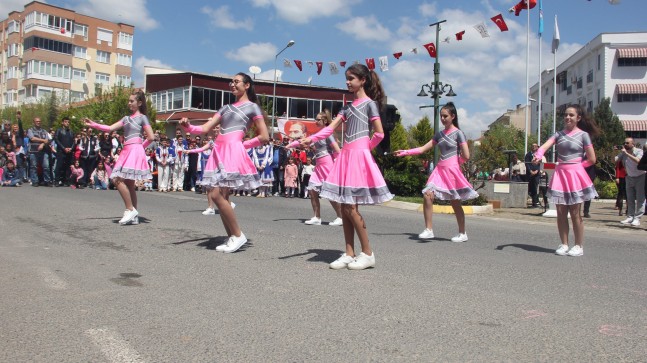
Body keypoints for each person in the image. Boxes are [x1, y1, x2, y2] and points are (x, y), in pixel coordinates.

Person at [295, 64, 393, 270]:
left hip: (358, 156)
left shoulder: (370, 104)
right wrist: (308, 140)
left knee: (349, 207)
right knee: (345, 204)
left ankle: (368, 253)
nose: (347, 82)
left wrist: (365, 149)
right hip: (345, 157)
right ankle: (349, 252)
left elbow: (380, 133)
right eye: (346, 78)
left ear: (363, 80)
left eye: (351, 78)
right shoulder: (347, 107)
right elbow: (329, 129)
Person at [179, 72, 269, 253]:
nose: (232, 85)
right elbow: (204, 128)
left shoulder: (252, 108)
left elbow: (264, 136)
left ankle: (237, 235)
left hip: (233, 150)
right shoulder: (225, 108)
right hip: (218, 151)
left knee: (216, 195)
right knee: (220, 195)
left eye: (236, 82)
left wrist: (243, 144)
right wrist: (187, 126)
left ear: (247, 85)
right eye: (231, 82)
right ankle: (232, 237)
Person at [396, 102, 478, 242]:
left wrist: (455, 163)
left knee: (455, 203)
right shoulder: (439, 135)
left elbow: (466, 155)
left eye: (445, 116)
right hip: (439, 171)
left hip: (452, 172)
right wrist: (405, 152)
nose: (442, 118)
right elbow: (422, 149)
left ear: (453, 116)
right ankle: (429, 229)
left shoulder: (459, 134)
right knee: (428, 195)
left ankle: (462, 233)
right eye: (441, 116)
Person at [533, 104, 600, 257]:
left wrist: (577, 167)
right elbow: (543, 147)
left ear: (578, 118)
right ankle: (564, 244)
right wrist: (538, 155)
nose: (568, 117)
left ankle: (578, 245)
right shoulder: (558, 134)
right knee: (561, 212)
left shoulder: (583, 135)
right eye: (566, 115)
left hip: (575, 175)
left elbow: (592, 159)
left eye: (571, 115)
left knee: (575, 213)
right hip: (560, 174)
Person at [84, 89, 155, 225]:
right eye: (129, 101)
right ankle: (133, 214)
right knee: (129, 183)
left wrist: (139, 147)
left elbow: (151, 137)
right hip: (127, 150)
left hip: (134, 149)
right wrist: (93, 124)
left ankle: (130, 210)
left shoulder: (142, 118)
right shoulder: (126, 119)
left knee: (116, 179)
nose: (129, 103)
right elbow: (110, 128)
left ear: (139, 103)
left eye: (131, 101)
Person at [300, 110, 343, 226]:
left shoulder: (328, 133)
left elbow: (337, 150)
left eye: (318, 119)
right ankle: (316, 217)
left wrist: (339, 165)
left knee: (329, 192)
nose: (316, 121)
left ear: (325, 121)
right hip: (319, 165)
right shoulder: (318, 134)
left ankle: (340, 217)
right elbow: (314, 147)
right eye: (316, 119)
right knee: (312, 190)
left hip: (327, 164)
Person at [615, 137, 645, 227]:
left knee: (640, 198)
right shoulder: (623, 153)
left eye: (627, 143)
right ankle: (630, 216)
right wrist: (617, 154)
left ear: (633, 144)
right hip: (629, 177)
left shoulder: (639, 151)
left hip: (640, 176)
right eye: (624, 143)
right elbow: (615, 161)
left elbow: (638, 161)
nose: (625, 144)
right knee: (629, 198)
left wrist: (627, 154)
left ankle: (637, 218)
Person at [27, 117, 52, 187]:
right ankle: (35, 181)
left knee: (46, 166)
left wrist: (43, 144)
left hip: (43, 151)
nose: (38, 122)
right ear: (34, 122)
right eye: (37, 121)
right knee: (33, 167)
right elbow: (32, 138)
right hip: (33, 151)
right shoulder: (30, 130)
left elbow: (48, 140)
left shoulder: (44, 131)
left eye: (39, 121)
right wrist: (43, 140)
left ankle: (47, 181)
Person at [54, 116, 75, 186]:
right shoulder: (59, 130)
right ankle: (57, 180)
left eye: (68, 122)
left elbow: (74, 141)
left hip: (69, 151)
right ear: (62, 122)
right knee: (59, 166)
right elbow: (56, 140)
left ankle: (66, 180)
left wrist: (71, 148)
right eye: (66, 122)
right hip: (61, 151)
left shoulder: (71, 131)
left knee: (67, 166)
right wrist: (64, 148)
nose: (67, 123)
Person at [525, 143, 541, 208]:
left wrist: (537, 171)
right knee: (530, 188)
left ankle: (535, 202)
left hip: (536, 174)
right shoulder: (528, 155)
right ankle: (534, 201)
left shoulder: (539, 155)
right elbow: (527, 164)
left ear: (537, 147)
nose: (534, 147)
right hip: (530, 174)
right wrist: (530, 171)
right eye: (533, 146)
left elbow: (540, 164)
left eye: (535, 146)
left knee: (535, 187)